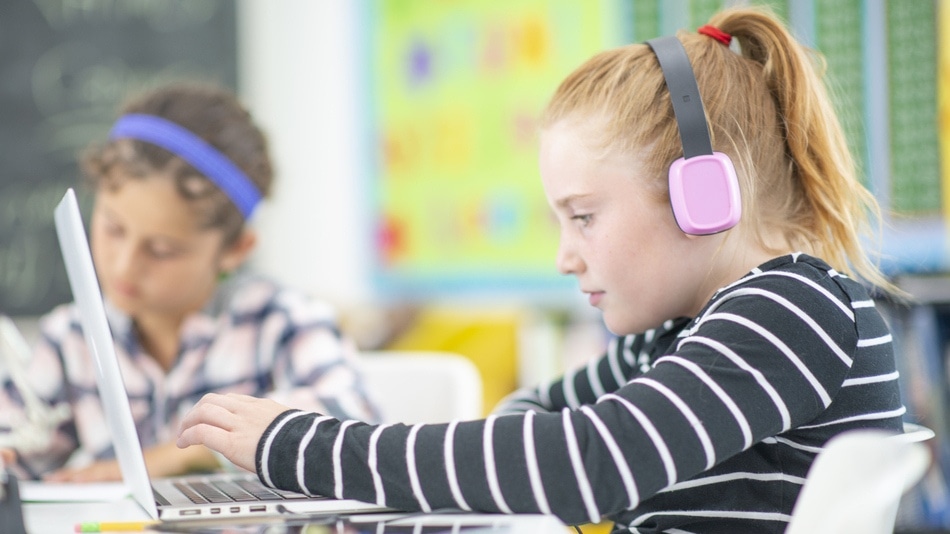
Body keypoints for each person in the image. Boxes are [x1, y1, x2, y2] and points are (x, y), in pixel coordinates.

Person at [177, 6, 904, 532]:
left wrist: (301, 446)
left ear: (702, 194)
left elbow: (583, 465)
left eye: (583, 216)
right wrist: (516, 467)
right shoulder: (676, 335)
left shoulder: (791, 310)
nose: (565, 256)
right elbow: (539, 421)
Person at [0, 83, 379, 481]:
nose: (125, 266)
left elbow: (354, 426)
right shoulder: (72, 338)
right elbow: (17, 448)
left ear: (236, 248)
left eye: (162, 250)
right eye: (113, 228)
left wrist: (183, 456)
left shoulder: (278, 320)